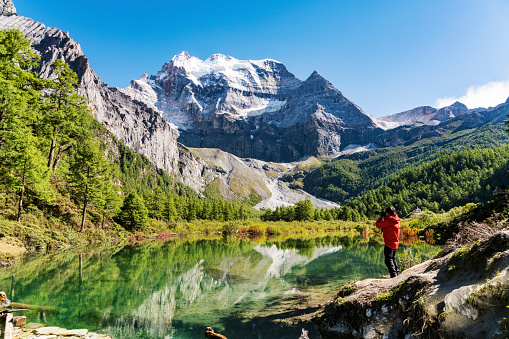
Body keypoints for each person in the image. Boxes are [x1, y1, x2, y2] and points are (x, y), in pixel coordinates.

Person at [376, 206, 401, 278]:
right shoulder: (396, 219)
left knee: (388, 260)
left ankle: (393, 275)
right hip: (395, 242)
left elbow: (378, 225)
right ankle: (397, 273)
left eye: (385, 212)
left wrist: (380, 218)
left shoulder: (389, 220)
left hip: (389, 243)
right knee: (392, 259)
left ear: (388, 213)